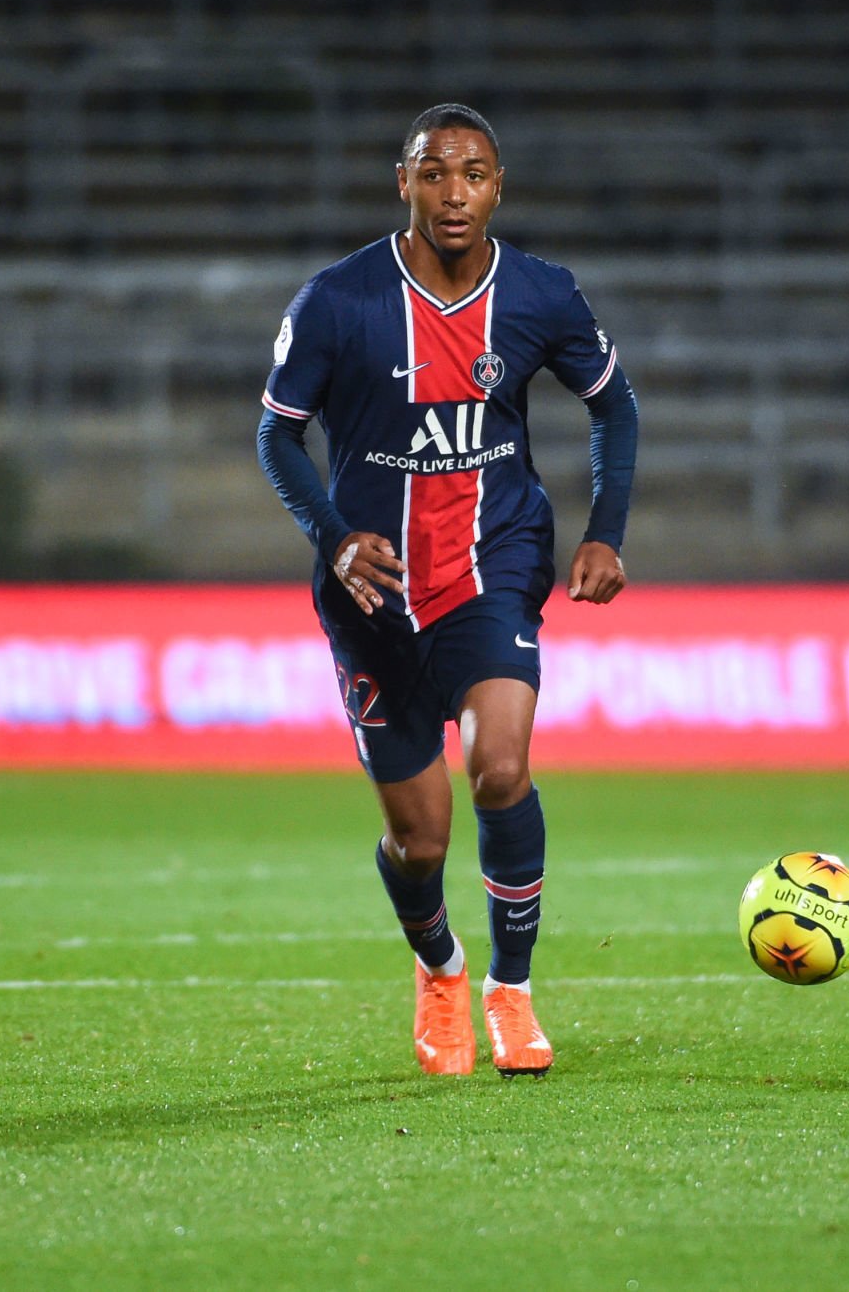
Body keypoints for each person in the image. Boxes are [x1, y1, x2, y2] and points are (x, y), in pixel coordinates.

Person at [256, 104, 639, 1077]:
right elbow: (275, 435)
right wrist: (336, 540)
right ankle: (440, 967)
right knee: (417, 841)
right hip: (373, 595)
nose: (453, 193)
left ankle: (510, 988)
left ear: (497, 186)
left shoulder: (540, 295)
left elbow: (612, 405)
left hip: (492, 568)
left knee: (499, 769)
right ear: (403, 183)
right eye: (434, 173)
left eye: (471, 174)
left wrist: (604, 532)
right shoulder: (337, 302)